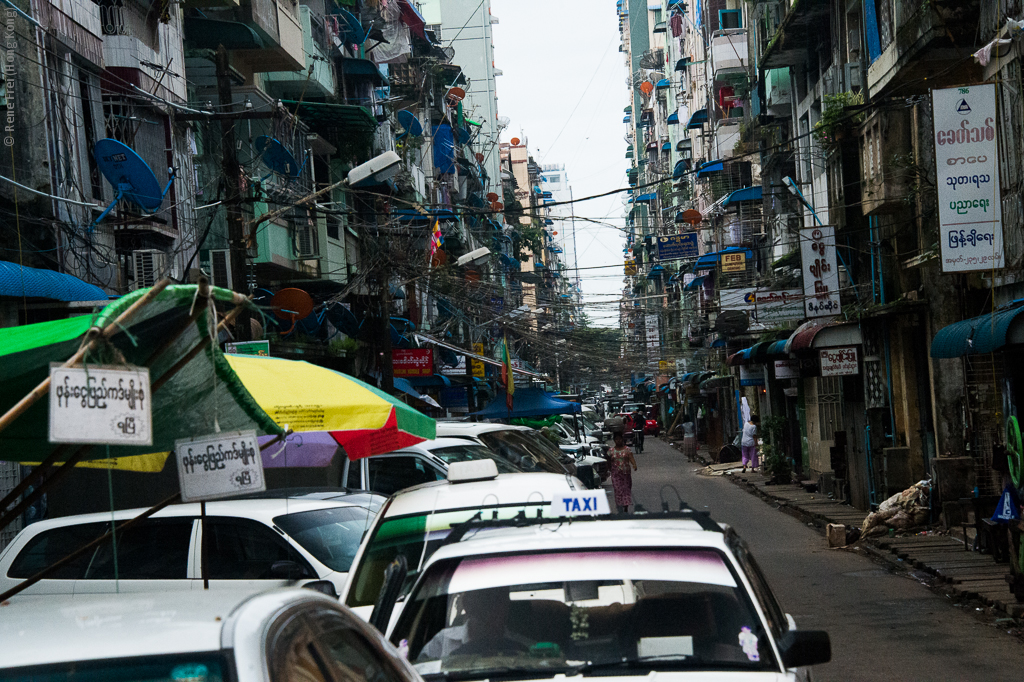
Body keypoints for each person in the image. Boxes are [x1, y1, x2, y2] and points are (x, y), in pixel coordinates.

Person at [418, 587, 529, 660]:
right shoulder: (442, 642)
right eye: (484, 598)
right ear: (467, 603)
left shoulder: (526, 650)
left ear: (507, 605)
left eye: (498, 599)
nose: (490, 607)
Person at [607, 432, 638, 513]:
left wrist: (634, 465)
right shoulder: (611, 451)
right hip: (615, 474)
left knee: (626, 489)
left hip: (625, 474)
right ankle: (619, 505)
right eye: (616, 439)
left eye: (620, 439)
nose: (618, 441)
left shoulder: (627, 450)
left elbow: (631, 458)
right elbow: (608, 461)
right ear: (614, 440)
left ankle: (625, 506)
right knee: (617, 489)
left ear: (622, 439)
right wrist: (608, 469)